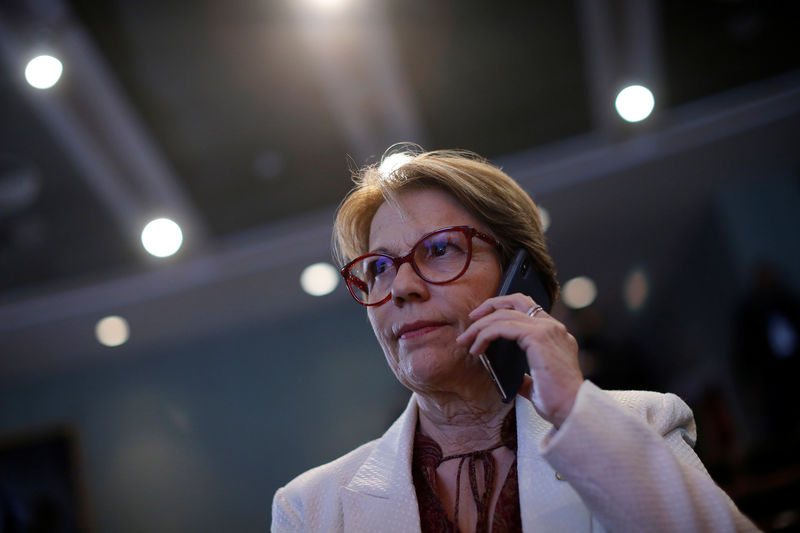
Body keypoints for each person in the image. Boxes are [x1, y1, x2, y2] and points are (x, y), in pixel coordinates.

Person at [271, 147, 758, 532]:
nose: (400, 287)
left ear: (520, 281)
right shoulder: (311, 511)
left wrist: (572, 408)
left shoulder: (645, 423)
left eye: (440, 249)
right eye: (378, 268)